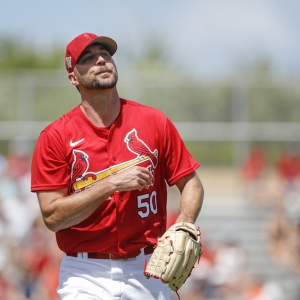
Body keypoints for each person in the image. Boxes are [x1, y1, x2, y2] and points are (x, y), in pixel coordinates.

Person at [30, 32, 204, 300]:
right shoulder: (55, 136)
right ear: (73, 77)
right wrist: (111, 183)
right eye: (88, 58)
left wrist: (184, 221)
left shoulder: (154, 121)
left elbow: (190, 181)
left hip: (149, 268)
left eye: (106, 54)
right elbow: (52, 216)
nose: (101, 60)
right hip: (85, 272)